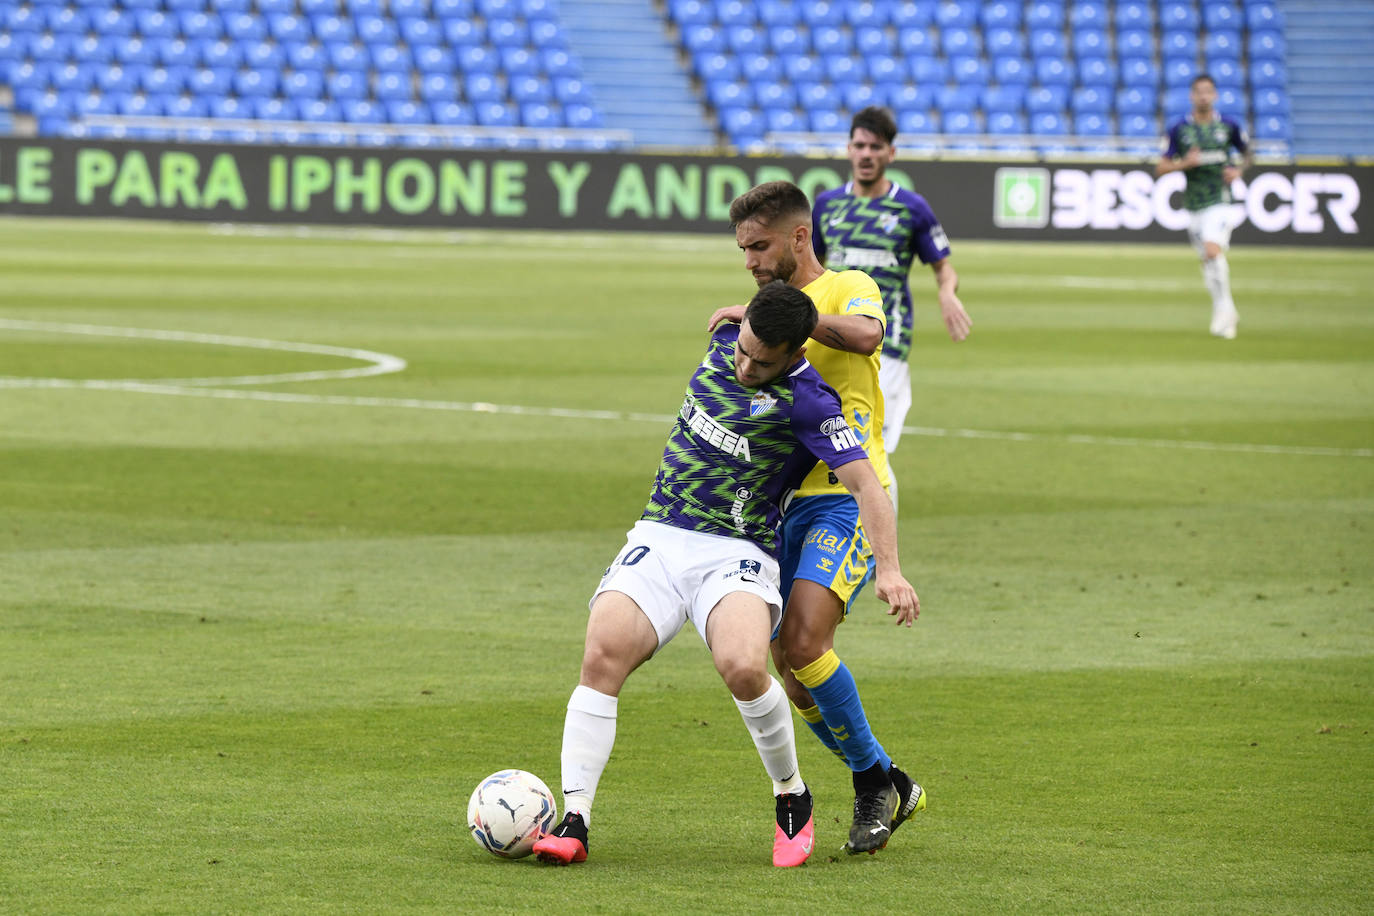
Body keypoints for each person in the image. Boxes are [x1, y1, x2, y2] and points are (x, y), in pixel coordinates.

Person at [533, 281, 919, 868]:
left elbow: (867, 484)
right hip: (659, 535)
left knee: (744, 666)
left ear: (794, 353)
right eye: (741, 348)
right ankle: (576, 819)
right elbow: (744, 327)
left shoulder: (811, 400)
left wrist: (889, 568)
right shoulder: (726, 336)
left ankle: (791, 794)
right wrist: (741, 319)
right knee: (601, 655)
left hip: (737, 549)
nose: (742, 364)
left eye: (760, 361)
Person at [707, 181, 925, 855]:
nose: (749, 260)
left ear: (799, 237)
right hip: (780, 509)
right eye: (743, 249)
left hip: (847, 494)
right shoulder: (758, 321)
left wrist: (890, 568)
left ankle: (870, 788)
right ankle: (886, 777)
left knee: (802, 642)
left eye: (759, 246)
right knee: (791, 667)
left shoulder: (847, 285)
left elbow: (867, 336)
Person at [812, 105, 971, 506]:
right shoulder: (827, 206)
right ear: (848, 149)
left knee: (869, 442)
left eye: (876, 147)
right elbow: (809, 272)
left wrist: (947, 292)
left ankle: (880, 555)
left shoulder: (911, 208)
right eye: (860, 145)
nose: (866, 154)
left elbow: (943, 268)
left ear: (890, 154)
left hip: (888, 341)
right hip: (831, 335)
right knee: (829, 436)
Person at [1156, 74, 1253, 340]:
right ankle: (1224, 312)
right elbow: (1161, 166)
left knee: (1212, 250)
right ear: (1191, 96)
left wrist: (1239, 171)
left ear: (1215, 95)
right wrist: (1184, 164)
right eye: (1199, 92)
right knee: (1207, 261)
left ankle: (1226, 311)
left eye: (1208, 91)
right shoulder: (1179, 130)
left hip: (1220, 200)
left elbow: (1248, 153)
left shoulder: (1229, 127)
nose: (1203, 96)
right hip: (1194, 204)